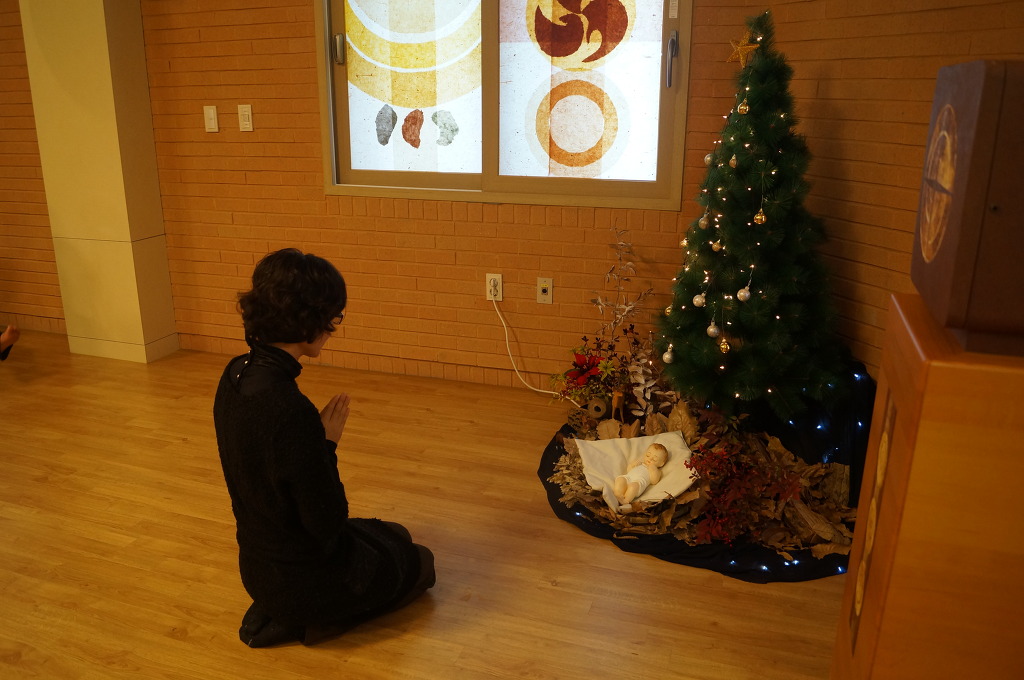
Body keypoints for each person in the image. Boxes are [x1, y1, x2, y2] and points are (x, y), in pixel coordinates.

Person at [213, 248, 435, 648]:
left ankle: (289, 609)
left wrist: (311, 446)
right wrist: (326, 444)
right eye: (332, 318)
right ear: (307, 321)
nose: (332, 329)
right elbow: (327, 521)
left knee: (395, 533)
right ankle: (313, 621)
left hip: (257, 567)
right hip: (304, 581)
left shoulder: (233, 374)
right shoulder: (288, 409)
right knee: (421, 562)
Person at [613, 443, 668, 507]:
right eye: (648, 455)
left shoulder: (657, 471)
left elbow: (654, 481)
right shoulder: (640, 464)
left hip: (638, 483)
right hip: (628, 477)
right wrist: (632, 465)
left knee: (633, 487)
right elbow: (629, 471)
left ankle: (625, 501)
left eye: (654, 459)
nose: (650, 459)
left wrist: (653, 470)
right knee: (620, 479)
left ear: (661, 464)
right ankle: (618, 494)